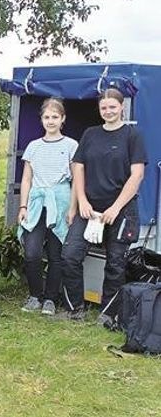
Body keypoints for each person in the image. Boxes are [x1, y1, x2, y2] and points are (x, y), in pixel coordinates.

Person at [61, 88, 146, 328]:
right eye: (103, 107)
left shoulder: (132, 136)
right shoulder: (90, 134)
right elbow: (78, 168)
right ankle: (74, 308)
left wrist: (116, 208)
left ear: (121, 107)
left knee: (115, 263)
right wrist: (82, 201)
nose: (108, 111)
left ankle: (109, 313)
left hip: (121, 210)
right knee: (70, 255)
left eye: (112, 106)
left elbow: (137, 175)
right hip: (89, 209)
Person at [17, 98, 77, 316]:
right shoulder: (34, 146)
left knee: (56, 254)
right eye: (47, 117)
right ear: (41, 120)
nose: (50, 121)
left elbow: (76, 179)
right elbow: (26, 179)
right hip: (36, 203)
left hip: (60, 202)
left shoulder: (71, 146)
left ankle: (51, 299)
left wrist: (72, 208)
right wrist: (23, 206)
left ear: (62, 119)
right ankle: (35, 295)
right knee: (32, 252)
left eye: (55, 117)